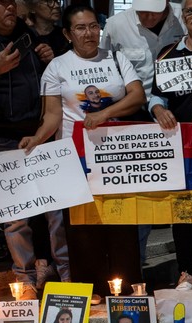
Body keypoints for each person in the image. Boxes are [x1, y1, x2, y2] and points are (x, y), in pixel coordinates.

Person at [21, 4, 145, 303]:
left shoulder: (116, 58)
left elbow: (137, 96)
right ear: (67, 33)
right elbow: (52, 116)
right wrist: (37, 138)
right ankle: (92, 291)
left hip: (116, 157)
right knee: (82, 229)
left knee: (122, 225)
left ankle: (126, 290)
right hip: (75, 159)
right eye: (80, 28)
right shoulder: (57, 67)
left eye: (93, 26)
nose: (89, 33)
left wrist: (104, 114)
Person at [0, 0, 65, 300]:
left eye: (12, 2)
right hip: (0, 139)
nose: (9, 7)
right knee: (17, 217)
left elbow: (47, 84)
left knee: (57, 210)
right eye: (1, 2)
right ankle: (25, 280)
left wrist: (48, 59)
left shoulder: (27, 34)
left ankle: (67, 274)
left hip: (41, 133)